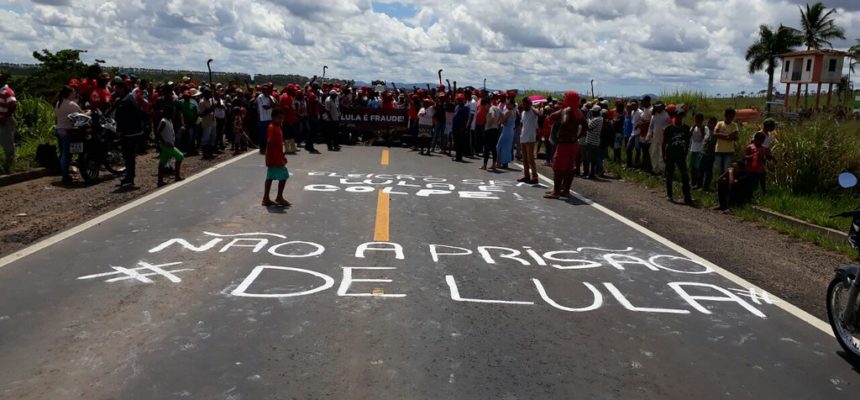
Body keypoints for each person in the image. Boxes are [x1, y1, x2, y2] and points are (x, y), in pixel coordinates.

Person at [544, 91, 585, 199]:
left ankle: (556, 192)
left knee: (557, 168)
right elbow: (585, 126)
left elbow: (564, 121)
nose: (564, 99)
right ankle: (566, 190)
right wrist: (577, 136)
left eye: (565, 97)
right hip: (574, 144)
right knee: (569, 168)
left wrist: (560, 132)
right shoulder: (578, 111)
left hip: (564, 144)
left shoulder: (567, 110)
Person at [113, 81, 147, 189]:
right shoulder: (123, 100)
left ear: (122, 89)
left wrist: (121, 130)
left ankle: (130, 179)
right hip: (128, 133)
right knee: (127, 157)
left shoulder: (128, 101)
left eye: (117, 88)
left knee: (129, 157)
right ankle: (128, 177)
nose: (115, 91)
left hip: (130, 134)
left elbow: (128, 118)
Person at [53, 85, 86, 184]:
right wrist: (89, 112)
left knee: (63, 153)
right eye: (73, 92)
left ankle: (65, 173)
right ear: (70, 93)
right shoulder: (72, 104)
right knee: (66, 155)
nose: (75, 94)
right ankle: (65, 176)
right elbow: (82, 115)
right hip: (67, 131)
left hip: (59, 130)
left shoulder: (59, 103)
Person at [662, 104, 693, 204]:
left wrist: (686, 152)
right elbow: (664, 143)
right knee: (669, 175)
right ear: (675, 116)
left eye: (681, 115)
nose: (679, 117)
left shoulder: (686, 128)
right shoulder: (669, 129)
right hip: (670, 154)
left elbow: (688, 141)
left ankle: (687, 197)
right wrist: (664, 155)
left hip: (681, 155)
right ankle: (669, 195)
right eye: (678, 115)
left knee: (685, 176)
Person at [263, 110, 291, 207]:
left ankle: (266, 198)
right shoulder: (273, 128)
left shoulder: (277, 127)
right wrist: (270, 158)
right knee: (283, 176)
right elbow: (270, 143)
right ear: (273, 117)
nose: (281, 120)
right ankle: (279, 197)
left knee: (270, 177)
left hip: (277, 156)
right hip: (274, 157)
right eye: (279, 118)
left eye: (282, 118)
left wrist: (282, 155)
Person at [156, 104, 184, 186]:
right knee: (180, 156)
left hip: (169, 144)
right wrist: (165, 142)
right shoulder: (164, 121)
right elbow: (158, 133)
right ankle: (177, 176)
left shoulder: (169, 120)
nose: (174, 114)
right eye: (173, 113)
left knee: (162, 162)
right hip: (167, 145)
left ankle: (160, 181)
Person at [518, 97, 539, 183]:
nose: (523, 105)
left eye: (525, 103)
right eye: (523, 103)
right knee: (525, 159)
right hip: (523, 137)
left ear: (529, 104)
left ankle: (534, 176)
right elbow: (523, 124)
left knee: (531, 158)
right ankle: (526, 175)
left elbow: (539, 114)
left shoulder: (533, 112)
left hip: (530, 138)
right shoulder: (523, 113)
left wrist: (531, 106)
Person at [647, 102, 671, 175]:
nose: (658, 108)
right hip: (654, 137)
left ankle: (662, 170)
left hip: (663, 138)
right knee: (653, 153)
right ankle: (655, 169)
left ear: (662, 107)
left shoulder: (666, 115)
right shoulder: (654, 115)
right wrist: (649, 134)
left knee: (661, 154)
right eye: (657, 107)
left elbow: (669, 125)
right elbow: (651, 126)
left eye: (660, 107)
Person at [714, 108, 739, 175]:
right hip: (719, 150)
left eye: (732, 116)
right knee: (719, 170)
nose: (731, 118)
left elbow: (735, 136)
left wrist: (721, 135)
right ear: (726, 115)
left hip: (729, 151)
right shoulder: (719, 123)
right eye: (730, 116)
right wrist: (728, 136)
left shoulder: (734, 125)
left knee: (726, 170)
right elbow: (715, 134)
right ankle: (719, 184)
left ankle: (725, 184)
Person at [0, 73, 17, 172]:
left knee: (7, 143)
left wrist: (5, 117)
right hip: (2, 120)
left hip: (5, 121)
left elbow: (13, 104)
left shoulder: (7, 91)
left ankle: (10, 165)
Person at [481, 96, 502, 171]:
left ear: (487, 104)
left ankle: (485, 165)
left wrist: (488, 124)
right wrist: (498, 123)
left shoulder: (491, 109)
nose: (484, 108)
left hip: (489, 130)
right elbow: (502, 115)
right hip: (495, 129)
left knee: (486, 148)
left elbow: (492, 116)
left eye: (484, 106)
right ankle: (493, 164)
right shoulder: (496, 108)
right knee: (493, 148)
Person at [700, 116, 719, 191]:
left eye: (711, 123)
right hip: (703, 152)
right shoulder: (706, 130)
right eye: (709, 122)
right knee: (701, 169)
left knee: (708, 171)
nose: (709, 124)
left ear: (714, 124)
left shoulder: (716, 132)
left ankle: (705, 187)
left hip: (710, 154)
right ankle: (699, 185)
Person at [688, 113, 706, 189]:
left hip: (700, 149)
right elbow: (689, 135)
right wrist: (693, 128)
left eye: (699, 119)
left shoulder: (705, 128)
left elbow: (704, 137)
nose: (697, 121)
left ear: (702, 120)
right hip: (693, 149)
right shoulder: (693, 127)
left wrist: (701, 129)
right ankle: (692, 182)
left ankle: (698, 183)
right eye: (696, 119)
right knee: (692, 167)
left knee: (698, 167)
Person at [198, 88, 217, 160]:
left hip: (213, 122)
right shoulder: (202, 102)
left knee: (213, 137)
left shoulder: (211, 100)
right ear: (205, 94)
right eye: (209, 93)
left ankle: (210, 152)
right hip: (206, 122)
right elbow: (201, 114)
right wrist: (210, 109)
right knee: (206, 138)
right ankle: (205, 154)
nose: (211, 95)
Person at [451, 94, 471, 162]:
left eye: (460, 100)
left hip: (461, 127)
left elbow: (466, 118)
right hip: (455, 126)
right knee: (456, 142)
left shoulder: (465, 108)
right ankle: (457, 156)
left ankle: (459, 157)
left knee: (460, 142)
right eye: (458, 100)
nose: (458, 101)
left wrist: (464, 127)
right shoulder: (456, 107)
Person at [256, 85, 275, 154]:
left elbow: (275, 104)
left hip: (270, 118)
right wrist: (272, 105)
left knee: (269, 134)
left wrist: (270, 97)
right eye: (264, 90)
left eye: (267, 90)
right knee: (263, 135)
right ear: (262, 91)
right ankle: (262, 148)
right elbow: (265, 107)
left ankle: (268, 148)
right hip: (263, 119)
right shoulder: (260, 97)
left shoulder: (271, 97)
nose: (266, 91)